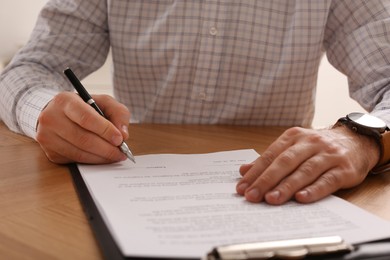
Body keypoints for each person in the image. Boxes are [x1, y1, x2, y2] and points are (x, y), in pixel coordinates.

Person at [1, 0, 389, 206]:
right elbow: (31, 69)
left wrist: (364, 137)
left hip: (278, 190)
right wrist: (43, 110)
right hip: (134, 187)